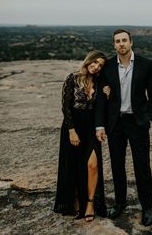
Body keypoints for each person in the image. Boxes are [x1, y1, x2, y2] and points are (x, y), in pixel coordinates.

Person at [96, 29, 152, 227]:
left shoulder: (146, 64)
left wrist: (149, 116)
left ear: (131, 42)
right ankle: (120, 203)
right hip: (115, 123)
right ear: (114, 45)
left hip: (137, 122)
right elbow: (100, 97)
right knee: (117, 165)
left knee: (142, 165)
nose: (121, 44)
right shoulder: (107, 67)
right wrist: (100, 124)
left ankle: (147, 207)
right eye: (117, 41)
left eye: (124, 40)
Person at [54, 50, 107, 222]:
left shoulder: (99, 82)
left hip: (91, 127)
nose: (96, 66)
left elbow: (101, 106)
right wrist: (71, 130)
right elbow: (66, 107)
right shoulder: (72, 78)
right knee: (73, 165)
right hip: (73, 127)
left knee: (92, 165)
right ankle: (76, 201)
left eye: (100, 65)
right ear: (88, 61)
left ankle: (90, 203)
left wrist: (108, 93)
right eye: (95, 62)